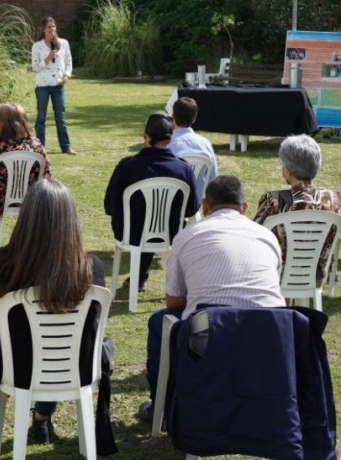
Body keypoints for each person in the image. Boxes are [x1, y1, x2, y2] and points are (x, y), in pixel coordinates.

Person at [138, 175, 285, 420]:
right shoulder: (267, 237)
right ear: (244, 207)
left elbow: (173, 302)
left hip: (209, 337)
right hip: (268, 336)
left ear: (205, 206)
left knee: (159, 321)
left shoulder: (186, 236)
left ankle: (161, 406)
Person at [0, 178, 106, 445]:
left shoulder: (0, 265)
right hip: (73, 365)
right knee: (90, 344)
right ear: (70, 219)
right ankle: (42, 415)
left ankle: (40, 415)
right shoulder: (90, 268)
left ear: (26, 217)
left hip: (15, 366)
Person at [103, 111, 199, 291]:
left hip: (131, 233)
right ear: (170, 140)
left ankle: (138, 278)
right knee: (155, 223)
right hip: (171, 232)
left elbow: (110, 206)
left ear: (144, 135)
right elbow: (191, 209)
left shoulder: (127, 167)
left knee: (143, 221)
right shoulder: (184, 169)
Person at [253, 134, 341, 283]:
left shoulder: (273, 200)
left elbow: (254, 235)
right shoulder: (334, 199)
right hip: (315, 276)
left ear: (287, 171)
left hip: (276, 276)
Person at [0, 102, 51, 250]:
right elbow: (46, 174)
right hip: (28, 198)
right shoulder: (36, 145)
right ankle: (24, 237)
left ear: (1, 122)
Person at [32, 16, 76, 154]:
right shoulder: (37, 46)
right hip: (42, 86)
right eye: (49, 27)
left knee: (60, 117)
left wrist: (66, 76)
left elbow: (68, 62)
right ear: (44, 30)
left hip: (58, 85)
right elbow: (35, 68)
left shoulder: (63, 43)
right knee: (41, 118)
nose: (52, 29)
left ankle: (66, 146)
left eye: (53, 27)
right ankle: (40, 147)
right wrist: (47, 58)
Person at [168, 97, 218, 195]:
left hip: (170, 203)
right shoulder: (205, 144)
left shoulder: (167, 145)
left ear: (173, 115)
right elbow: (213, 177)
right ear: (194, 118)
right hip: (197, 204)